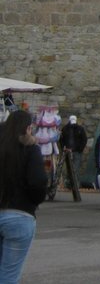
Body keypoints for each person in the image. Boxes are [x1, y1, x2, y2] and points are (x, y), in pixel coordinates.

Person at [0, 109, 48, 283]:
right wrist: (34, 201)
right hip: (20, 214)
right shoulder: (31, 150)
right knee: (9, 274)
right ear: (28, 128)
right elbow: (38, 181)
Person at [58, 115, 87, 194]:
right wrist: (64, 147)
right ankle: (69, 184)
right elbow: (61, 139)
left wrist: (79, 149)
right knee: (69, 168)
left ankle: (75, 185)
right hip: (67, 151)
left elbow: (84, 140)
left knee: (75, 168)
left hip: (77, 152)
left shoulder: (80, 129)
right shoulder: (65, 129)